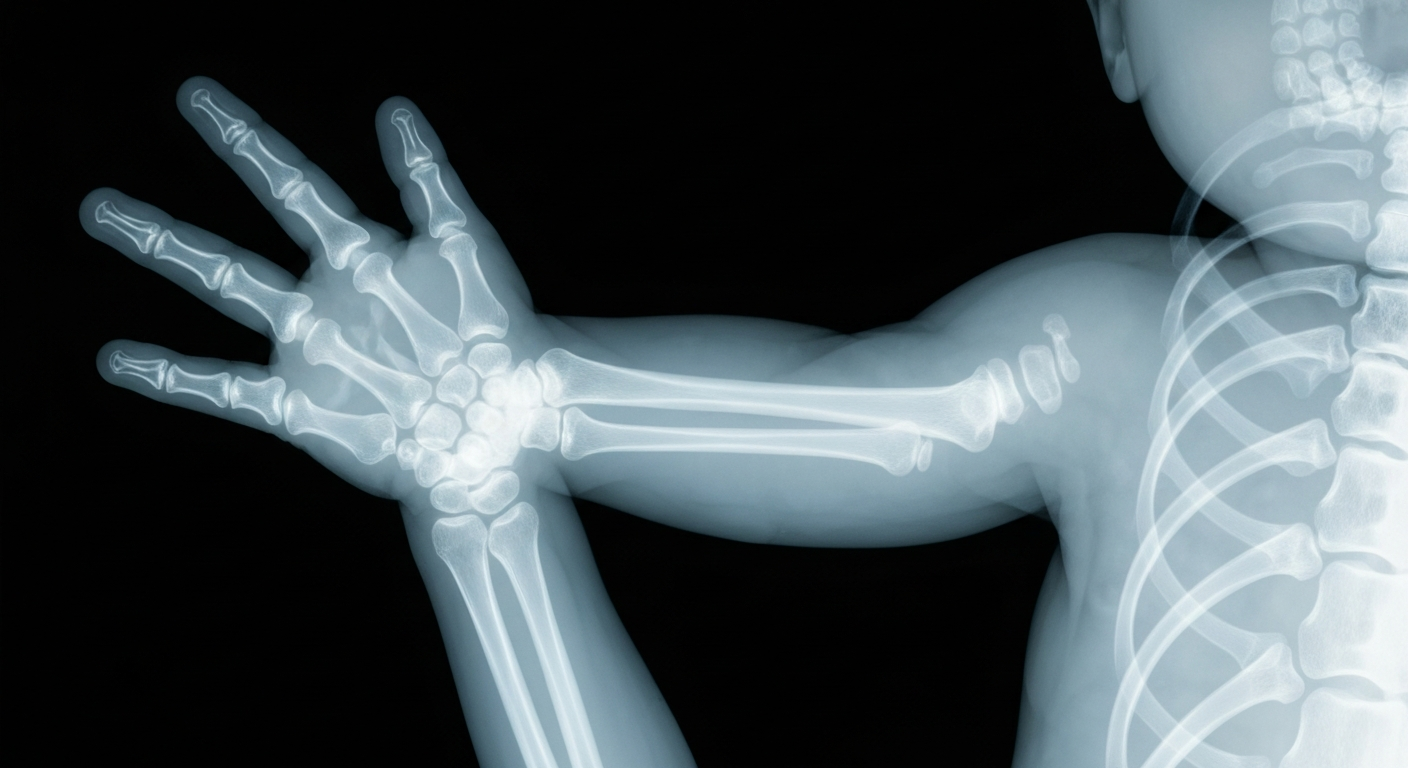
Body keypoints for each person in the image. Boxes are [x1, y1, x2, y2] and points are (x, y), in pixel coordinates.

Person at [72, 1, 1406, 765]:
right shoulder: (1122, 346)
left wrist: (539, 405)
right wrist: (492, 426)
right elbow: (862, 423)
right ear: (1118, 39)